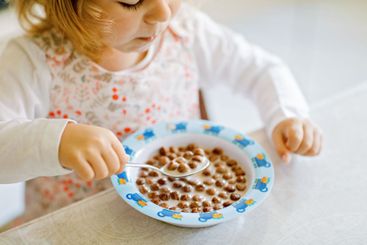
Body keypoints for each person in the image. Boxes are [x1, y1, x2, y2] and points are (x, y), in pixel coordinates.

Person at [0, 0, 322, 226]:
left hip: (179, 222)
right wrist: (57, 141)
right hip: (72, 228)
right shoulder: (32, 61)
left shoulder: (186, 31)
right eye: (131, 1)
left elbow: (259, 68)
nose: (163, 13)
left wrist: (286, 114)